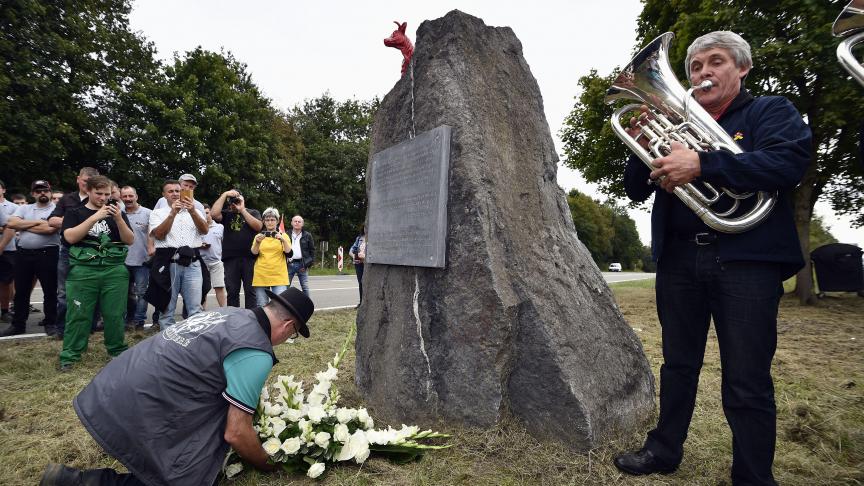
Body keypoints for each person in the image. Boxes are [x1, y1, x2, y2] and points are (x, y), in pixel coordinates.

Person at [612, 32, 811, 485]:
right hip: (680, 261)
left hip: (747, 262)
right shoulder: (674, 117)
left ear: (741, 69)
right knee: (678, 365)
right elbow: (635, 190)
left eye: (715, 63)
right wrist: (644, 140)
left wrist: (704, 165)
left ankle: (753, 476)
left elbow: (787, 164)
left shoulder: (769, 111)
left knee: (747, 376)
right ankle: (664, 450)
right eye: (696, 66)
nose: (703, 73)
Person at [39, 287, 315, 486]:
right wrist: (268, 465)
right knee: (187, 477)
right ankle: (77, 482)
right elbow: (236, 432)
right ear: (289, 326)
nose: (288, 338)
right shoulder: (255, 349)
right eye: (293, 334)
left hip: (112, 387)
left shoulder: (230, 312)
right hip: (141, 403)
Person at [58, 176, 134, 370]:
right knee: (78, 314)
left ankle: (117, 351)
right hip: (84, 271)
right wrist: (94, 217)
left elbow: (129, 240)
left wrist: (117, 218)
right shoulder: (75, 212)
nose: (103, 198)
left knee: (115, 314)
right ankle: (71, 355)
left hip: (114, 270)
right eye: (98, 193)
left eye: (107, 194)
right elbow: (70, 238)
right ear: (89, 192)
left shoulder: (118, 213)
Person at [0, 180, 59, 337]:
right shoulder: (24, 208)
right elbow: (11, 223)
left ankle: (50, 323)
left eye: (45, 190)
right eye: (38, 191)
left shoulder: (56, 209)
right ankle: (18, 324)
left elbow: (50, 229)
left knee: (50, 291)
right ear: (33, 193)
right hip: (24, 254)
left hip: (48, 253)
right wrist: (39, 223)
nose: (42, 193)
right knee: (21, 292)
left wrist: (24, 225)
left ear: (50, 192)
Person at [146, 180, 208, 329]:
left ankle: (195, 342)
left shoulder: (196, 211)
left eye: (177, 190)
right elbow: (159, 235)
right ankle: (167, 344)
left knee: (195, 308)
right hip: (168, 263)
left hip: (192, 263)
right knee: (167, 308)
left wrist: (192, 211)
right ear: (164, 195)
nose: (175, 194)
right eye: (170, 191)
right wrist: (172, 213)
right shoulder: (157, 213)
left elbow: (205, 230)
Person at [49, 166, 100, 338]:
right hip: (69, 251)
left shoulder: (101, 198)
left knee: (93, 290)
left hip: (93, 251)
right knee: (64, 292)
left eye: (91, 182)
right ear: (78, 179)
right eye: (85, 181)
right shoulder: (67, 199)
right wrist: (78, 221)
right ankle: (62, 330)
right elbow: (52, 220)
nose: (87, 185)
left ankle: (90, 328)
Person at [211, 189, 263, 308]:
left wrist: (242, 210)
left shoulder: (252, 212)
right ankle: (234, 319)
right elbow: (214, 214)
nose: (235, 202)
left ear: (243, 199)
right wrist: (225, 194)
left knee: (250, 291)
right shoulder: (226, 213)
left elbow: (258, 227)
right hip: (230, 259)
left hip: (250, 258)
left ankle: (251, 318)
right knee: (232, 291)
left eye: (237, 199)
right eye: (232, 200)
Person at [121, 186, 151, 329]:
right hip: (121, 262)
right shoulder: (118, 214)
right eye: (124, 196)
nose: (127, 199)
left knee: (142, 293)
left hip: (142, 261)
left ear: (136, 196)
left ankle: (139, 322)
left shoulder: (148, 214)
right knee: (123, 294)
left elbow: (154, 236)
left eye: (130, 196)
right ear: (121, 198)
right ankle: (126, 320)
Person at [251, 207, 292, 305]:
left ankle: (278, 321)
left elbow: (289, 254)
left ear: (277, 221)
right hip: (261, 275)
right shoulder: (258, 236)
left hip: (278, 275)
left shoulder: (284, 236)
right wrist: (257, 242)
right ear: (264, 222)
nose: (270, 222)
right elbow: (253, 255)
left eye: (272, 220)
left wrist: (283, 240)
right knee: (262, 305)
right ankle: (264, 321)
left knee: (280, 304)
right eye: (267, 220)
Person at [200, 203, 227, 309]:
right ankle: (201, 314)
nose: (205, 215)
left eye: (207, 212)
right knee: (203, 289)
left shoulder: (220, 227)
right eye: (203, 213)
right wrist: (200, 245)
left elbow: (225, 244)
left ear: (210, 213)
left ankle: (224, 311)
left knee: (219, 287)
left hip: (216, 262)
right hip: (201, 263)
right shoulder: (197, 227)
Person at [0, 180, 18, 323]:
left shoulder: (7, 207)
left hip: (7, 250)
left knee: (6, 281)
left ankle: (5, 310)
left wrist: (1, 247)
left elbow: (10, 226)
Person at [287, 215, 315, 296]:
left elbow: (312, 251)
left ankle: (308, 307)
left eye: (299, 222)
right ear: (292, 223)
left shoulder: (307, 235)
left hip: (302, 265)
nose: (297, 223)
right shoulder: (286, 234)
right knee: (285, 287)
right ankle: (284, 306)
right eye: (295, 221)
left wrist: (308, 264)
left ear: (302, 224)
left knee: (305, 287)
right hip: (289, 264)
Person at [349, 225, 366, 305]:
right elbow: (351, 250)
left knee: (367, 283)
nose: (366, 229)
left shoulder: (375, 237)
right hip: (358, 264)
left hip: (368, 265)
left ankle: (366, 302)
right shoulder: (359, 238)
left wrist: (365, 257)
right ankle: (361, 303)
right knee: (361, 282)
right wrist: (354, 256)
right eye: (365, 227)